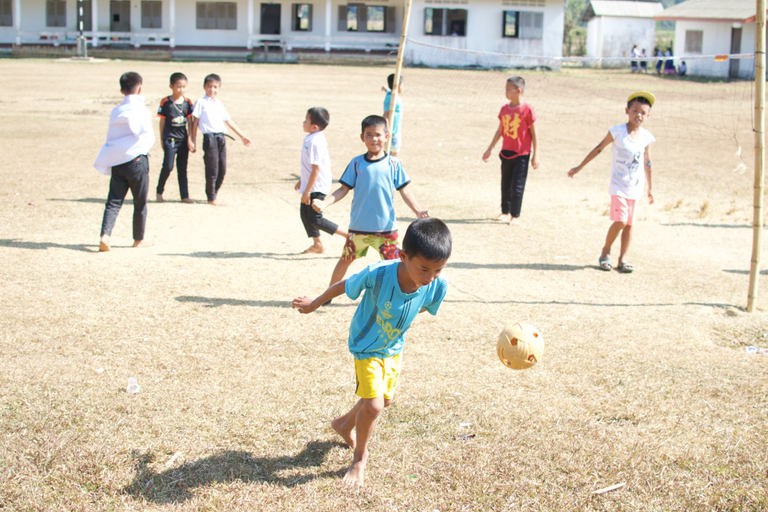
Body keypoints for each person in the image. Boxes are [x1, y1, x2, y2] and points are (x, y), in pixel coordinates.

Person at [292, 217, 451, 486]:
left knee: (382, 401)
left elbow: (425, 305)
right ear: (402, 255)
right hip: (367, 344)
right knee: (374, 405)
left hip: (393, 347)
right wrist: (316, 302)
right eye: (424, 269)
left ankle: (343, 424)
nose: (430, 277)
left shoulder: (438, 283)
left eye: (437, 270)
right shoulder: (379, 273)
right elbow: (345, 285)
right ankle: (359, 458)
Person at [312, 115, 430, 299]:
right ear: (362, 138)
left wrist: (417, 210)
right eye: (368, 135)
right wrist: (324, 202)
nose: (374, 139)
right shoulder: (357, 163)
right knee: (345, 260)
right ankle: (328, 294)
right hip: (359, 228)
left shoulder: (393, 163)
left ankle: (401, 296)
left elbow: (404, 190)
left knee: (397, 266)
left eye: (378, 134)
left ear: (386, 136)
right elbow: (343, 189)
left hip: (386, 230)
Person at [567, 92, 656, 273]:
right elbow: (598, 149)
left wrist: (650, 187)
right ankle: (605, 252)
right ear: (627, 111)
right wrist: (579, 167)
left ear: (648, 116)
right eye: (635, 110)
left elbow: (647, 161)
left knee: (630, 224)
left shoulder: (647, 137)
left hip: (635, 187)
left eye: (643, 112)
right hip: (618, 186)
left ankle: (622, 259)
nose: (638, 115)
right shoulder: (617, 131)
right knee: (621, 221)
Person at [94, 71, 156, 252]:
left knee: (113, 201)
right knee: (140, 202)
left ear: (122, 90)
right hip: (137, 161)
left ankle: (105, 235)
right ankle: (138, 239)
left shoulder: (116, 111)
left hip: (118, 162)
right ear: (140, 88)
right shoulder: (142, 110)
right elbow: (145, 134)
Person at [482, 76, 540, 226]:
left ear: (518, 90)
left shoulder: (527, 109)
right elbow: (500, 129)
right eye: (506, 88)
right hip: (506, 152)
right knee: (505, 184)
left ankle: (515, 215)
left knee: (517, 186)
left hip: (522, 154)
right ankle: (505, 212)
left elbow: (534, 133)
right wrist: (490, 148)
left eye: (509, 89)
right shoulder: (504, 109)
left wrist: (536, 155)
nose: (506, 91)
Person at [189, 74, 252, 205]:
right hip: (209, 138)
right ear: (204, 87)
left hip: (221, 138)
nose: (212, 90)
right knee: (212, 169)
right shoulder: (201, 102)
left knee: (222, 169)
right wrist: (192, 139)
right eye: (209, 87)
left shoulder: (218, 103)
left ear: (219, 88)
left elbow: (228, 121)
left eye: (215, 87)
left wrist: (242, 135)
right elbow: (195, 123)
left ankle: (214, 192)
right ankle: (211, 197)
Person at [295, 107, 348, 254]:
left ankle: (348, 235)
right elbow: (309, 166)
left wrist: (307, 191)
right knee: (305, 215)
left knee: (315, 218)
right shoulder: (311, 138)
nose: (303, 122)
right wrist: (302, 180)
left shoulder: (316, 142)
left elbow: (316, 170)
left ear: (314, 126)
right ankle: (318, 244)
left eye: (306, 120)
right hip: (311, 184)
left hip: (316, 186)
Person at [156, 72, 195, 203]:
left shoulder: (188, 102)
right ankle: (159, 191)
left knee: (182, 169)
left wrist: (190, 139)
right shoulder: (165, 102)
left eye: (184, 86)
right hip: (170, 139)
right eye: (178, 86)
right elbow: (161, 122)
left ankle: (185, 196)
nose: (181, 89)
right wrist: (162, 139)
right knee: (168, 166)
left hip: (183, 141)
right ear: (171, 86)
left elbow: (190, 122)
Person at [383, 73, 404, 156]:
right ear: (398, 85)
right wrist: (388, 130)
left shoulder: (389, 94)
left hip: (395, 130)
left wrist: (385, 88)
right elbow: (385, 115)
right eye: (402, 84)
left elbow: (388, 90)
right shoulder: (393, 99)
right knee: (394, 155)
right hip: (393, 132)